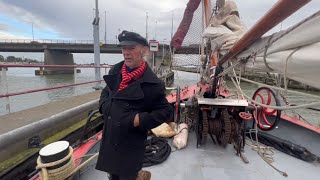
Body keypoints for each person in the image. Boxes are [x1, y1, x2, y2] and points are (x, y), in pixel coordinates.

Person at [96, 30, 173, 180]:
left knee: (127, 176)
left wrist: (140, 119)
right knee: (113, 175)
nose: (126, 53)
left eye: (131, 48)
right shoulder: (115, 71)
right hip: (111, 138)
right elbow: (105, 93)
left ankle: (139, 175)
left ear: (144, 50)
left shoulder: (153, 84)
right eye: (124, 48)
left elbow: (166, 111)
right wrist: (104, 107)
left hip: (131, 143)